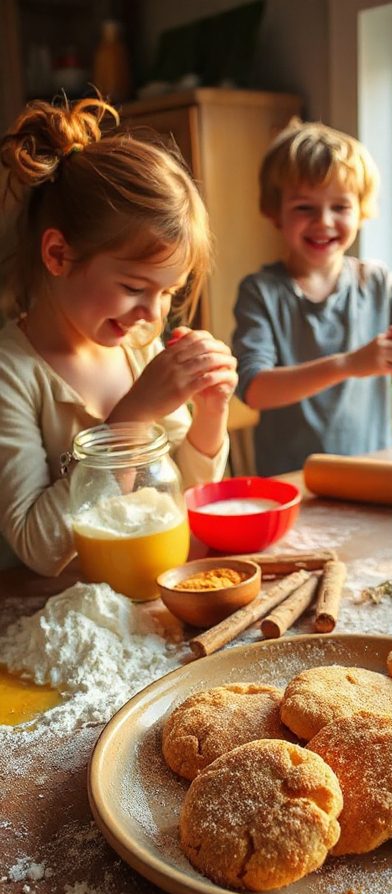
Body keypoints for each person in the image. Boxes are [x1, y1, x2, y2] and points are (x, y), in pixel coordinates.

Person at [0, 94, 237, 575]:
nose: (153, 312)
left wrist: (212, 412)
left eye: (169, 292)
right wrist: (133, 416)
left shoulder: (139, 347)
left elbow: (187, 498)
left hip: (149, 593)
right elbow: (39, 549)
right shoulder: (12, 375)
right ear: (58, 255)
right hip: (53, 609)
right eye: (133, 288)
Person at [232, 118, 392, 476]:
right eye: (304, 207)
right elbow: (254, 389)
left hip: (373, 475)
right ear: (274, 211)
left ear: (361, 211)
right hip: (293, 483)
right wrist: (349, 364)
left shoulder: (375, 283)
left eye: (340, 207)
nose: (324, 222)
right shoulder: (260, 291)